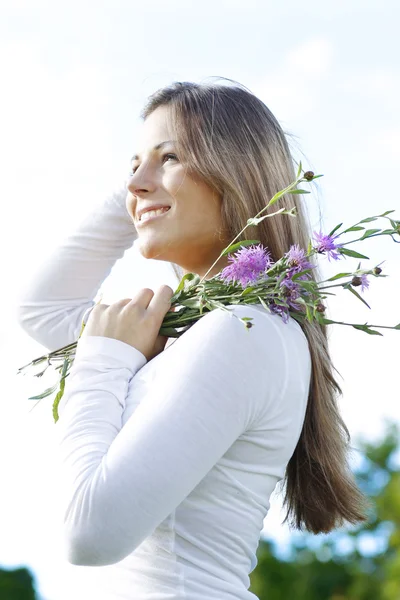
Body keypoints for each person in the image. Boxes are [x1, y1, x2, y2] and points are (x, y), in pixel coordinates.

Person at [17, 79, 368, 600]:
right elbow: (41, 308)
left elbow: (89, 534)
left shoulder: (245, 330)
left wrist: (106, 357)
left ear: (234, 171)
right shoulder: (200, 329)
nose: (136, 182)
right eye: (132, 165)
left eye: (171, 158)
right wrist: (151, 181)